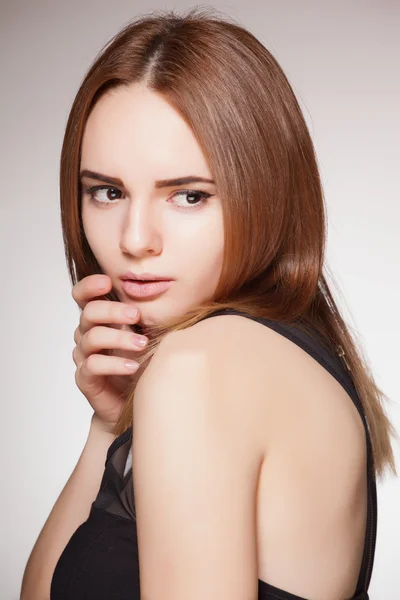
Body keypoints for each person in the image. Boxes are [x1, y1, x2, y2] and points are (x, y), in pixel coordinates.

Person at [21, 6, 397, 600]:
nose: (134, 239)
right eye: (108, 191)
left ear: (265, 193)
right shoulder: (289, 354)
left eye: (189, 196)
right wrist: (110, 424)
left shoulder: (202, 365)